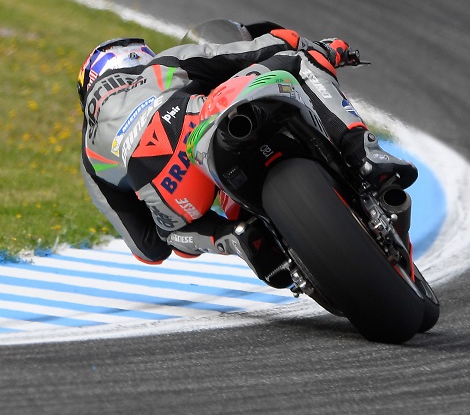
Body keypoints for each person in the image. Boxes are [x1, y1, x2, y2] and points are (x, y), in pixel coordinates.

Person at [78, 21, 417, 288]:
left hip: (169, 189)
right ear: (136, 56)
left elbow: (148, 248)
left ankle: (236, 238)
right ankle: (363, 152)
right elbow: (254, 50)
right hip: (192, 124)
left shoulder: (89, 152)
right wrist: (323, 48)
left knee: (171, 232)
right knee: (302, 60)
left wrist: (183, 226)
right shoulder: (160, 66)